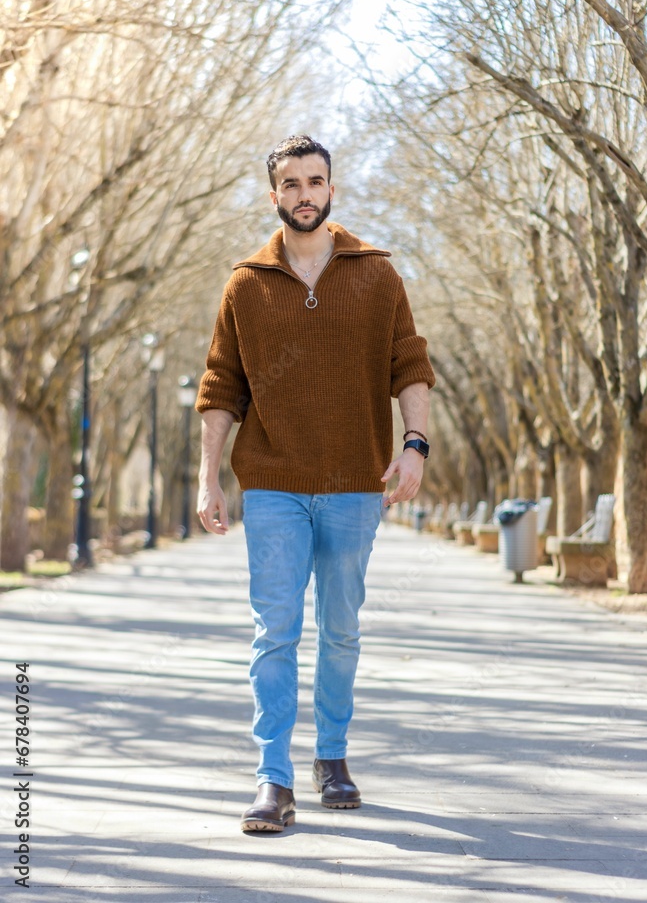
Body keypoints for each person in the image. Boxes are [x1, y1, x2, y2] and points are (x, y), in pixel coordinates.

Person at [196, 135, 435, 833]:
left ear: (331, 188)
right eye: (291, 183)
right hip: (271, 482)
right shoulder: (245, 283)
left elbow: (409, 367)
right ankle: (271, 777)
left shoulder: (378, 276)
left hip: (355, 484)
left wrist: (413, 446)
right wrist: (209, 479)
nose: (304, 192)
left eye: (315, 180)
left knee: (339, 629)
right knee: (275, 631)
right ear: (274, 195)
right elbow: (220, 387)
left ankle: (330, 758)